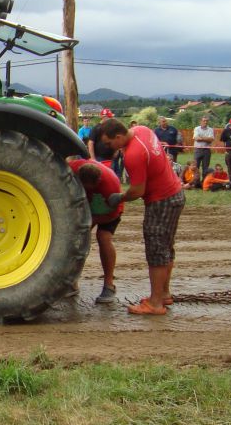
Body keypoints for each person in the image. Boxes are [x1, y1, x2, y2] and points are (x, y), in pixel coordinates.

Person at [100, 118, 185, 316]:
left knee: (156, 249)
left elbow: (138, 190)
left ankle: (155, 303)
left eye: (109, 143)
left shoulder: (133, 155)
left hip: (160, 201)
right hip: (175, 194)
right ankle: (163, 293)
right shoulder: (142, 130)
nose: (108, 147)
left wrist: (119, 197)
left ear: (119, 137)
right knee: (165, 246)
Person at [69, 159, 124, 305]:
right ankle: (71, 281)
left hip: (108, 211)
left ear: (97, 182)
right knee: (77, 241)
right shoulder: (74, 167)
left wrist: (90, 222)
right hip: (86, 208)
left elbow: (113, 214)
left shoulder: (110, 187)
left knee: (103, 238)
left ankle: (109, 285)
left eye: (89, 187)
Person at [192, 116, 215, 186]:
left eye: (207, 121)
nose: (205, 122)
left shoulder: (210, 129)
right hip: (198, 150)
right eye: (204, 121)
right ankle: (196, 182)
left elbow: (211, 139)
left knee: (205, 167)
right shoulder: (196, 129)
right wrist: (206, 138)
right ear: (201, 121)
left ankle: (204, 182)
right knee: (196, 167)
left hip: (206, 150)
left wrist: (201, 138)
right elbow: (196, 138)